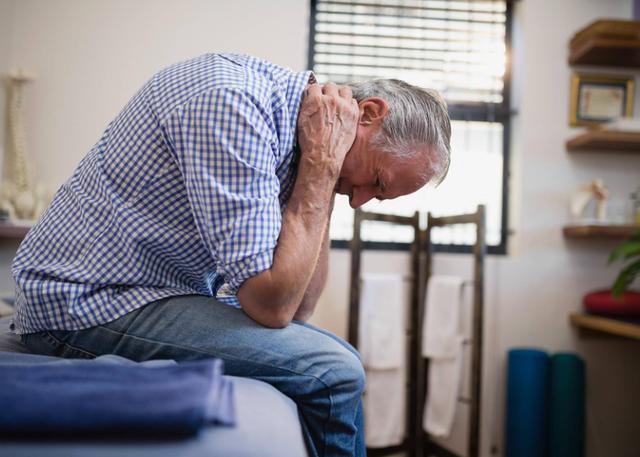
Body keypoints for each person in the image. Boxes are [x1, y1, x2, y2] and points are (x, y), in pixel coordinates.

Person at [11, 53, 451, 457]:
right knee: (334, 372)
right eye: (376, 182)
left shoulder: (301, 145)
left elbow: (300, 306)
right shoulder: (232, 105)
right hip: (83, 299)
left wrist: (326, 173)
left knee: (341, 355)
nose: (359, 200)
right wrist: (323, 168)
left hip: (153, 291)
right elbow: (272, 305)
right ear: (368, 113)